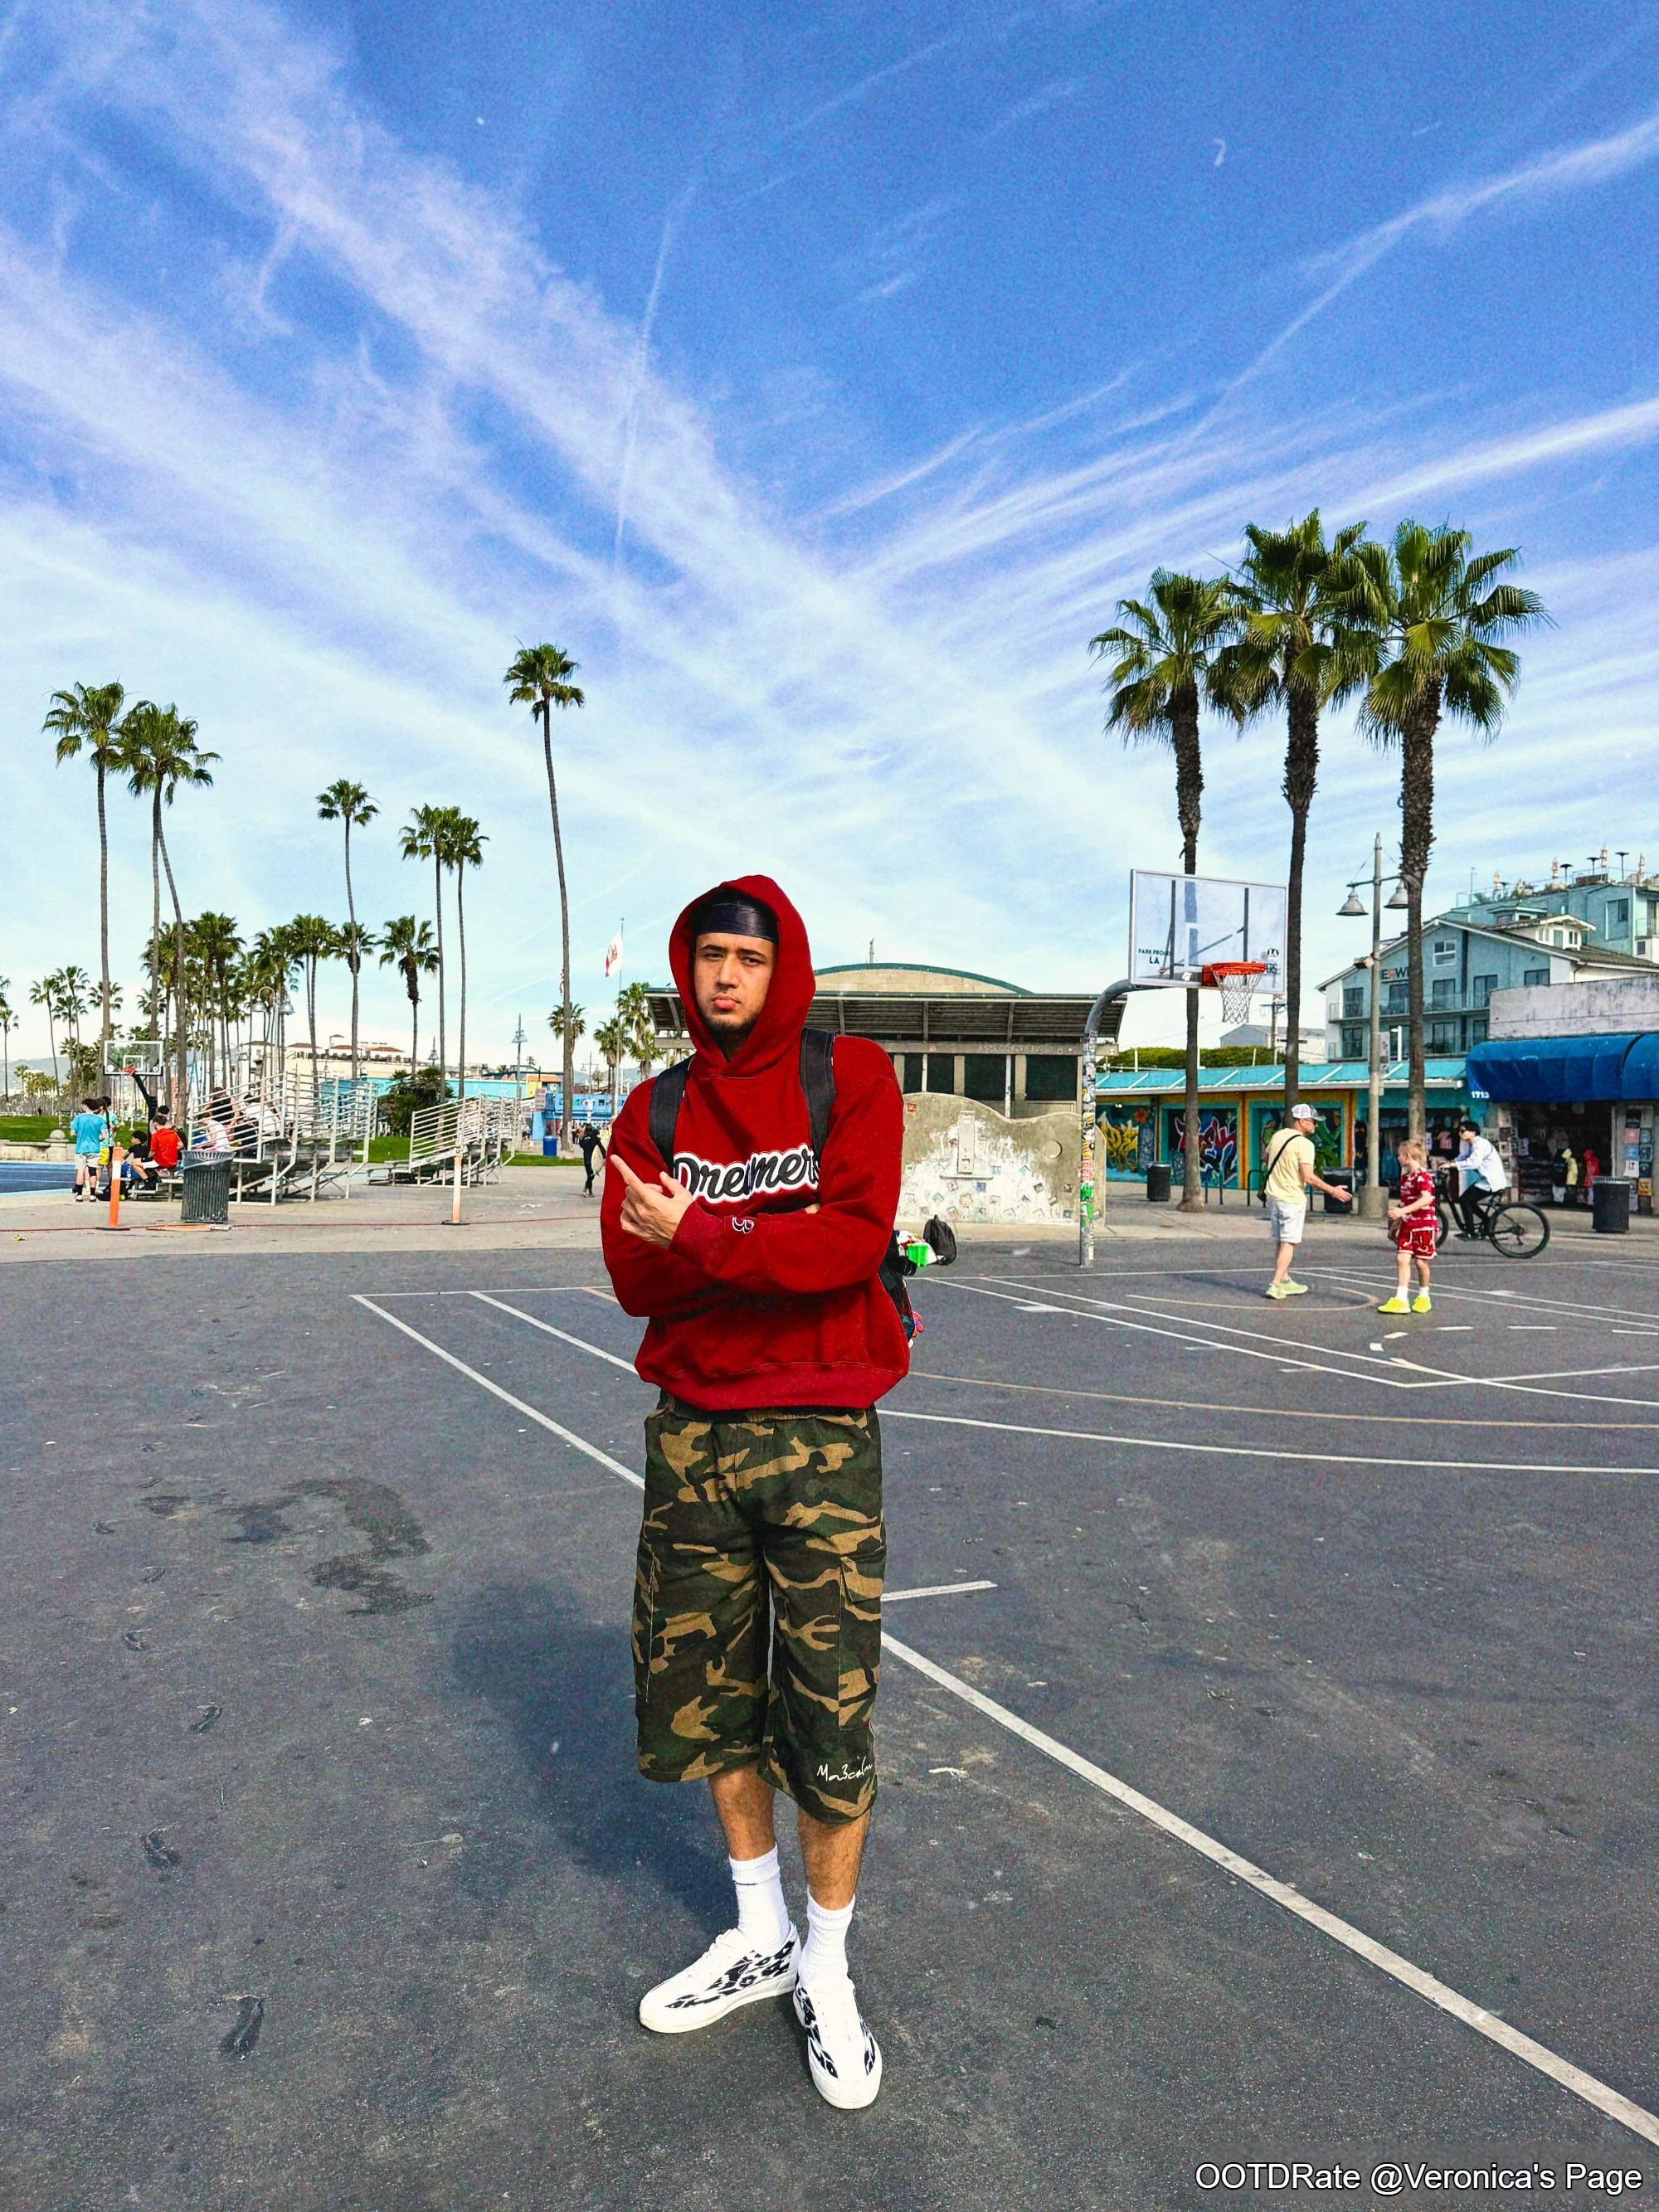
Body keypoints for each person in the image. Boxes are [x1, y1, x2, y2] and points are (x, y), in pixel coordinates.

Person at [601, 877, 905, 2112]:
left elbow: (853, 1240)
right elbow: (631, 1273)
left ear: (786, 969)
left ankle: (827, 1967)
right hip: (696, 1440)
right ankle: (760, 1927)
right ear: (689, 966)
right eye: (710, 954)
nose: (727, 975)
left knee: (828, 1714)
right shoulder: (654, 1103)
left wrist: (713, 1240)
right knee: (713, 1701)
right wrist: (756, 1252)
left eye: (748, 956)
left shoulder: (854, 1077)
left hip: (825, 1433)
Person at [1262, 1101, 1352, 1298]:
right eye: (1313, 1121)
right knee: (1289, 1242)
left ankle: (1285, 1279)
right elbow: (1309, 1177)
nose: (1316, 1125)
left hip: (1274, 1196)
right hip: (1292, 1198)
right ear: (1302, 1122)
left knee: (1281, 1240)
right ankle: (1276, 1284)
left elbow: (1264, 1156)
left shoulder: (1278, 1136)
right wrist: (1333, 1190)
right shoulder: (1305, 1144)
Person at [1381, 1137, 1438, 1312]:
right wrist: (1396, 1224)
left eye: (1399, 1155)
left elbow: (1426, 1199)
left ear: (1406, 1156)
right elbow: (1405, 1203)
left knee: (1421, 1262)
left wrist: (1401, 1212)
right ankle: (1401, 1298)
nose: (1397, 1158)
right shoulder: (1405, 1177)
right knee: (1402, 1258)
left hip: (1423, 1225)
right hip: (1407, 1225)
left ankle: (1424, 1295)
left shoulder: (1423, 1176)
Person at [1452, 1116, 1508, 1237]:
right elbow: (1464, 1157)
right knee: (1470, 1201)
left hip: (1491, 1182)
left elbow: (1473, 1162)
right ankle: (1488, 1221)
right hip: (1487, 1180)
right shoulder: (1473, 1144)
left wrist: (1453, 1165)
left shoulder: (1480, 1144)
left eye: (1462, 1131)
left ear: (1472, 1133)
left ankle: (1470, 1232)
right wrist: (1450, 1163)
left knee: (1464, 1200)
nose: (1459, 1134)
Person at [70, 1095, 110, 1201]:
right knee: (93, 1171)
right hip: (95, 1148)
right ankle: (92, 1195)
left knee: (80, 1170)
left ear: (86, 1106)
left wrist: (79, 1135)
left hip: (81, 1148)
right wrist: (98, 1139)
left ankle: (79, 1195)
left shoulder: (78, 1118)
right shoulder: (100, 1120)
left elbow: (72, 1133)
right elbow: (104, 1136)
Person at [148, 1111, 182, 1178]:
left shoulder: (155, 1135)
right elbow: (180, 1145)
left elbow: (152, 1152)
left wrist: (147, 1157)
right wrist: (171, 1149)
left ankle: (150, 1181)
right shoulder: (173, 1133)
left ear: (155, 1124)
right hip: (173, 1162)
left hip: (161, 1162)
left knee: (136, 1163)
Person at [577, 1119, 605, 1197]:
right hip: (593, 1159)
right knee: (591, 1176)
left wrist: (582, 1136)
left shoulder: (583, 1139)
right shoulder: (595, 1138)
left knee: (589, 1175)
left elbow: (581, 1145)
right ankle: (584, 1190)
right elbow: (601, 1148)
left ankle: (591, 1192)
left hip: (586, 1159)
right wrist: (605, 1157)